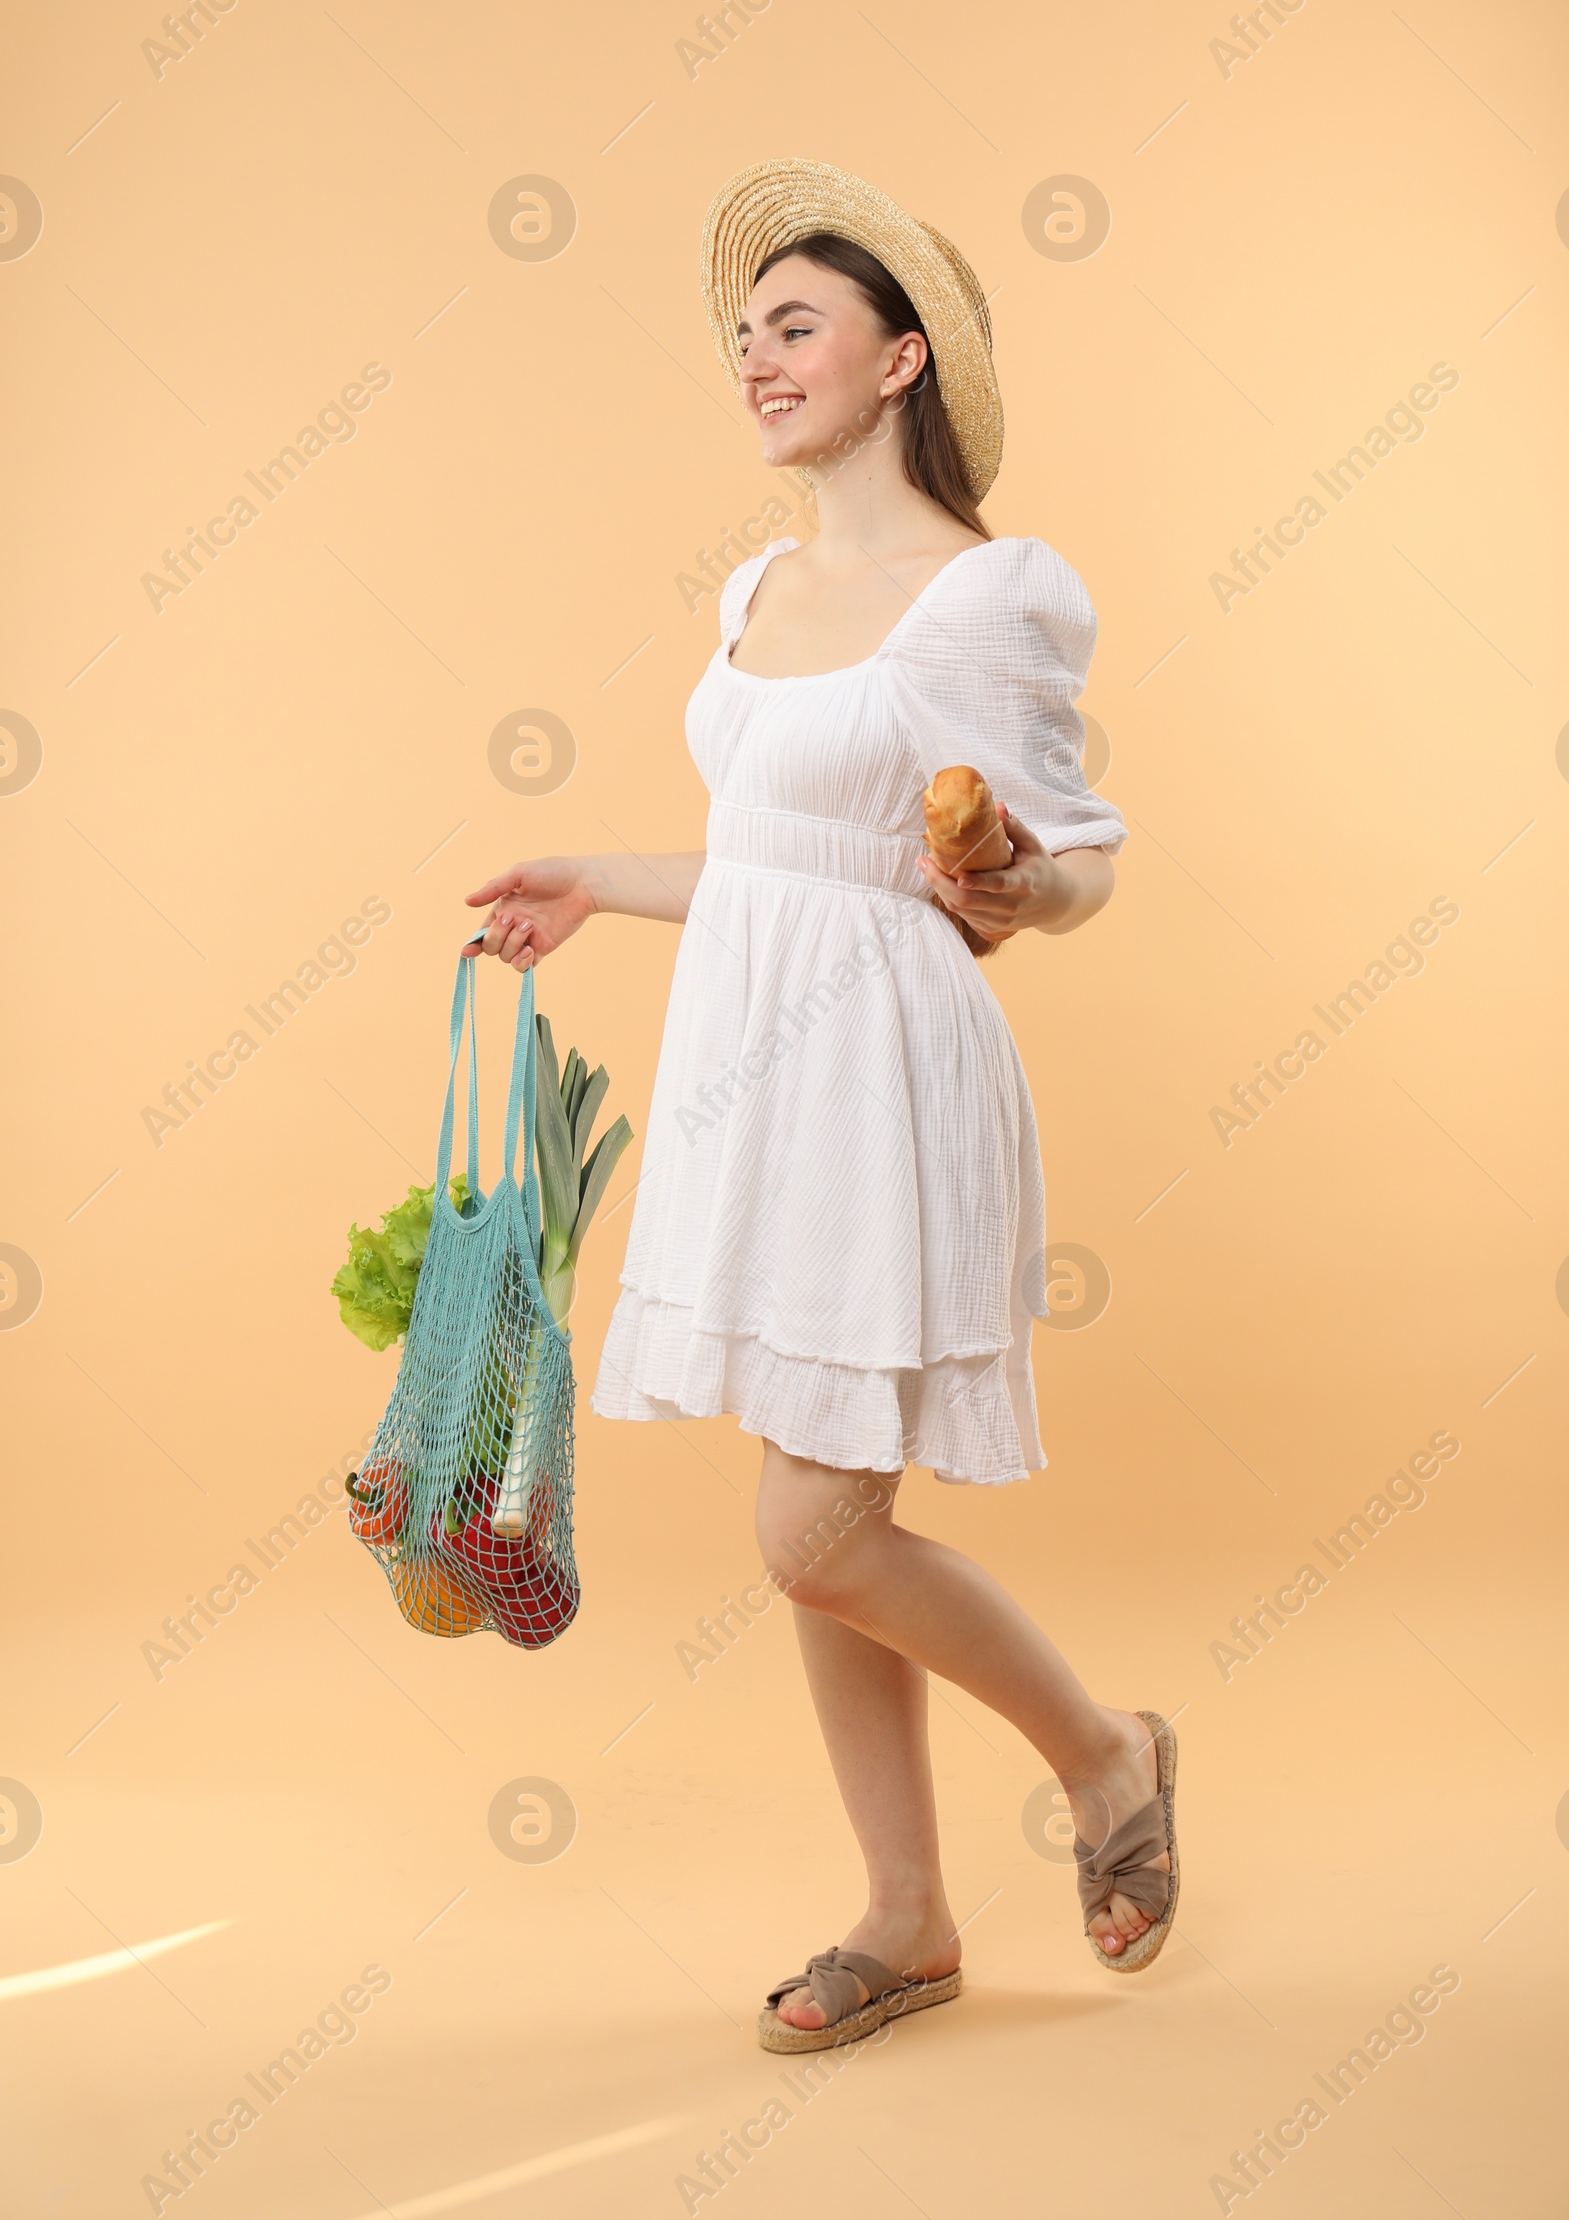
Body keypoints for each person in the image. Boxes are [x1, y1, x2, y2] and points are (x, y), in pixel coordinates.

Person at [465, 160, 1179, 2053]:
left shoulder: (985, 596)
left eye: (795, 327)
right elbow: (773, 857)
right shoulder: (757, 587)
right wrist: (593, 880)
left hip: (880, 1074)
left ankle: (1106, 1754)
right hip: (752, 1067)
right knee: (805, 1480)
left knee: (811, 1529)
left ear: (899, 356)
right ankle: (911, 1914)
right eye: (744, 337)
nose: (757, 361)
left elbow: (1082, 854)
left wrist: (1032, 890)